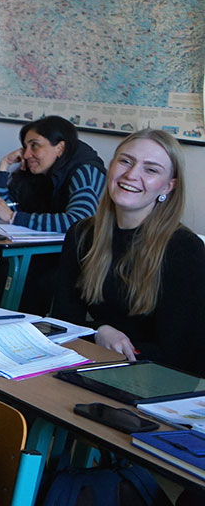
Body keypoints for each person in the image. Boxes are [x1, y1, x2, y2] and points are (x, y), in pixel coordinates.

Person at [51, 129, 205, 373]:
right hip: (93, 363)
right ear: (111, 166)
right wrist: (99, 330)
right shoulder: (81, 234)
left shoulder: (184, 248)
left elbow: (181, 353)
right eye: (125, 161)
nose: (131, 175)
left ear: (168, 187)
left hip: (155, 377)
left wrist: (114, 345)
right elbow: (64, 321)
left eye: (151, 170)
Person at [0, 115, 105, 312]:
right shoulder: (36, 173)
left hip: (74, 258)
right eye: (25, 147)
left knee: (30, 279)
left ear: (59, 148)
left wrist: (14, 217)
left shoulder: (85, 170)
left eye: (35, 146)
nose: (27, 154)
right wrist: (4, 165)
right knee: (4, 270)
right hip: (39, 253)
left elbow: (78, 221)